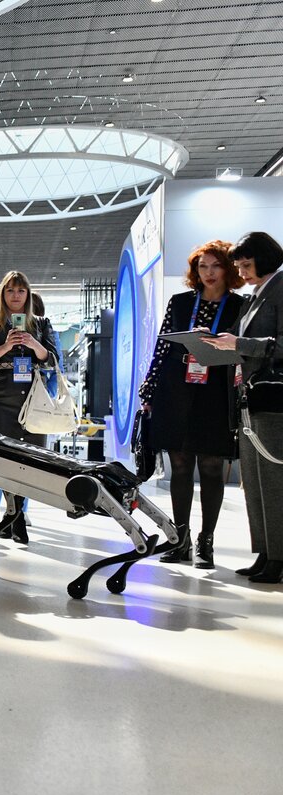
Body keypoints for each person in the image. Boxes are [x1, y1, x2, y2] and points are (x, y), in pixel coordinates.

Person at [138, 240, 245, 568]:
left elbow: (245, 352)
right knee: (180, 465)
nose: (209, 273)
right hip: (176, 387)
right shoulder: (181, 302)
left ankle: (206, 542)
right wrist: (150, 388)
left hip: (216, 391)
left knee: (212, 466)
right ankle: (180, 538)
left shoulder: (240, 306)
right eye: (203, 267)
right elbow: (161, 347)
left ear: (227, 269)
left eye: (215, 266)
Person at [206, 231, 283, 583]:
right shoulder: (256, 295)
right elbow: (240, 340)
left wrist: (241, 343)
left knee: (272, 481)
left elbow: (276, 345)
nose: (243, 272)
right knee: (253, 480)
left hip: (273, 399)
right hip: (251, 397)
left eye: (247, 264)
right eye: (239, 266)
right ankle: (265, 553)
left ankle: (278, 557)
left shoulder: (280, 287)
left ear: (264, 258)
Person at [0, 271, 60, 541]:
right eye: (10, 290)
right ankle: (12, 515)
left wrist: (34, 344)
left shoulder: (42, 324)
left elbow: (53, 361)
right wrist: (4, 346)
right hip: (0, 395)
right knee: (5, 457)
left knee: (29, 458)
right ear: (3, 294)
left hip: (32, 395)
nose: (16, 296)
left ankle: (17, 515)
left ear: (28, 294)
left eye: (21, 291)